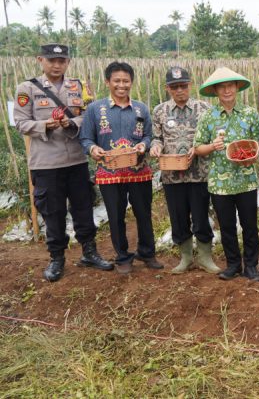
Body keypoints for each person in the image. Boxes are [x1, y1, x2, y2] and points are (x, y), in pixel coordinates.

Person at [14, 43, 112, 281]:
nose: (56, 65)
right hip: (46, 163)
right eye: (51, 61)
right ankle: (57, 258)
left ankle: (89, 252)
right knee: (53, 212)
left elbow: (88, 117)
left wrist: (72, 123)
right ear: (41, 60)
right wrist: (44, 125)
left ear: (67, 62)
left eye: (62, 61)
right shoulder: (28, 88)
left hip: (76, 160)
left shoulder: (77, 86)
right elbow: (20, 123)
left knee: (83, 207)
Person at [79, 61, 161, 274]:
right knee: (115, 216)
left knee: (143, 213)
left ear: (131, 82)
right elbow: (86, 138)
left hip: (138, 170)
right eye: (117, 81)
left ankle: (146, 252)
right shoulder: (95, 109)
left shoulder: (141, 108)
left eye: (126, 81)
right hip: (109, 173)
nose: (121, 85)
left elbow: (148, 135)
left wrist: (144, 144)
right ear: (108, 82)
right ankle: (122, 256)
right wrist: (93, 148)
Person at [150, 67, 220, 275]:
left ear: (190, 85)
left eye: (183, 86)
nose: (179, 90)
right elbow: (157, 137)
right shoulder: (160, 111)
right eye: (175, 87)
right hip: (171, 175)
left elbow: (212, 138)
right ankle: (186, 257)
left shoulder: (204, 109)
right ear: (168, 88)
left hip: (199, 174)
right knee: (178, 217)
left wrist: (197, 149)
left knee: (200, 216)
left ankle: (205, 257)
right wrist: (156, 147)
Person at [194, 67, 259, 281]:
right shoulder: (208, 117)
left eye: (230, 85)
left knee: (250, 224)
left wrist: (253, 156)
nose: (226, 90)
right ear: (215, 91)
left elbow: (258, 143)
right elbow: (198, 148)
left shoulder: (250, 114)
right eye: (221, 87)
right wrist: (212, 146)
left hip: (246, 180)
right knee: (227, 226)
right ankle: (233, 264)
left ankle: (251, 265)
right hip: (219, 183)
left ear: (237, 87)